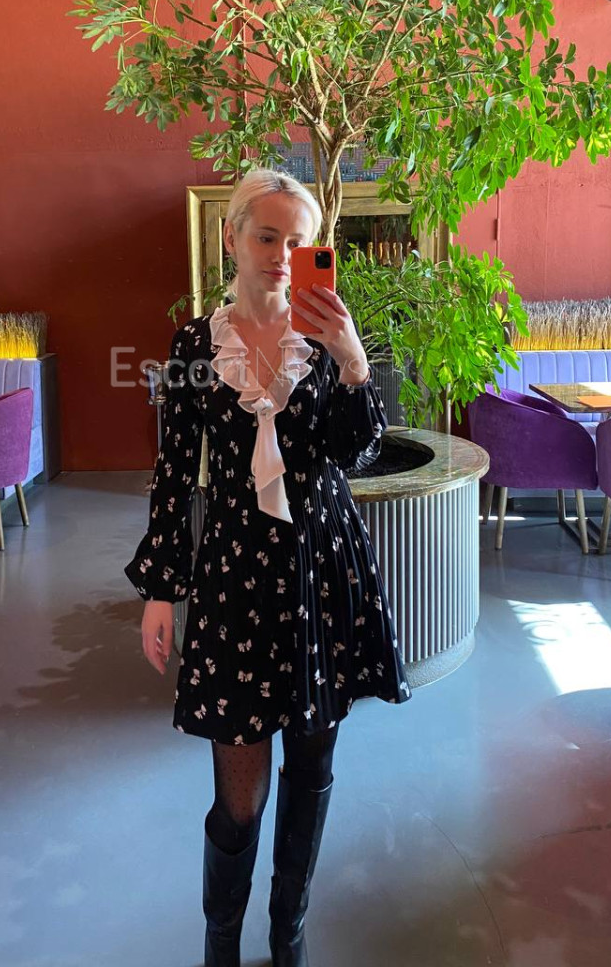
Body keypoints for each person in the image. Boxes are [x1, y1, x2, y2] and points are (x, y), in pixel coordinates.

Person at [124, 168, 410, 967]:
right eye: (268, 235)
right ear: (232, 238)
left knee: (312, 766)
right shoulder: (194, 345)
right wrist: (160, 592)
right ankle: (221, 943)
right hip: (234, 578)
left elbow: (356, 452)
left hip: (321, 565)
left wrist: (353, 362)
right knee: (239, 799)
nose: (284, 254)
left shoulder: (328, 334)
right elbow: (175, 473)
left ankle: (289, 931)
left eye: (299, 240)